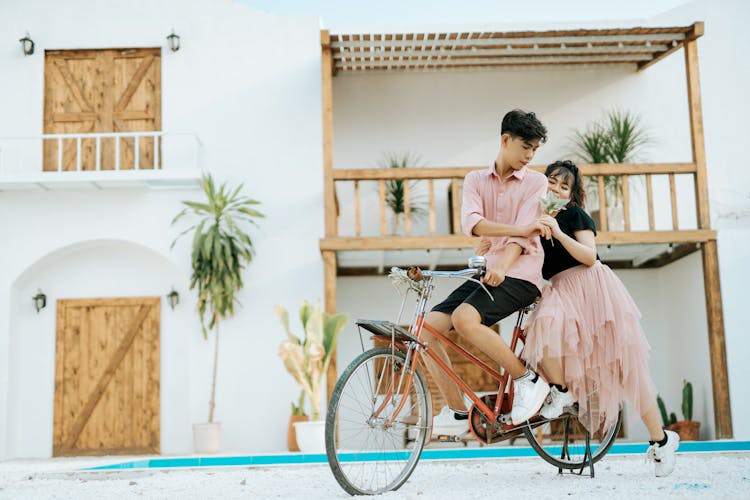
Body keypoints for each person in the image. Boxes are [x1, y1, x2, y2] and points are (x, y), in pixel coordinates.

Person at [519, 160, 679, 477]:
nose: (557, 190)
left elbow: (589, 256)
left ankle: (661, 440)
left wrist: (558, 232)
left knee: (625, 368)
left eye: (565, 187)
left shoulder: (574, 215)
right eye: (552, 182)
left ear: (572, 194)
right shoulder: (534, 222)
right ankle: (562, 391)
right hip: (561, 291)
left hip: (593, 290)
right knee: (544, 326)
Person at [427, 109, 552, 436]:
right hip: (489, 271)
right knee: (427, 329)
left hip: (521, 273)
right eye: (525, 146)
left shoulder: (537, 183)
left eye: (535, 150)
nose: (530, 155)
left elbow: (522, 238)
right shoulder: (475, 180)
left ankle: (528, 379)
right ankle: (456, 413)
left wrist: (503, 262)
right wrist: (515, 231)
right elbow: (473, 223)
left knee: (464, 319)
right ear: (505, 140)